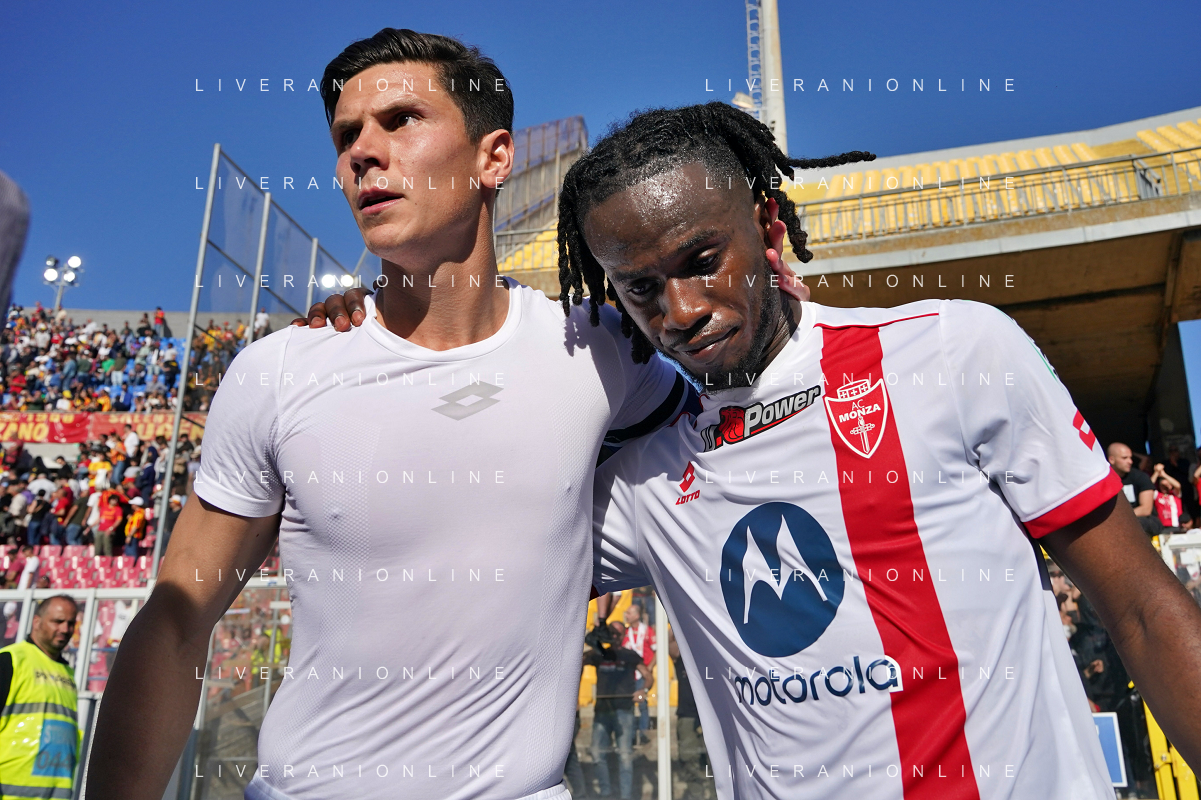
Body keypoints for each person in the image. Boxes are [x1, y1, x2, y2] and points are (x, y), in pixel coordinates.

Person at [83, 29, 756, 800]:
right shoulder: (280, 371)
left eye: (400, 120)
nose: (362, 153)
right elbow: (176, 625)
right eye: (346, 136)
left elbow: (735, 441)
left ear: (493, 158)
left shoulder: (598, 351)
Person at [0, 595, 80, 799]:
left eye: (70, 623)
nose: (65, 629)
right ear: (36, 621)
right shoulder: (10, 660)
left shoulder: (68, 674)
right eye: (58, 621)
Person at [583, 621, 652, 800]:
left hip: (624, 711)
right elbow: (579, 659)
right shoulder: (600, 653)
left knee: (625, 757)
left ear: (623, 636)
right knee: (596, 753)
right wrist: (595, 637)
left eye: (617, 634)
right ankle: (606, 794)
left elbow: (647, 676)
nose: (614, 637)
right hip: (602, 711)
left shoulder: (630, 655)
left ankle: (625, 797)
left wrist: (643, 690)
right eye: (611, 633)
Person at [1109, 442, 1161, 536]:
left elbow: (1146, 509)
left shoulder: (1141, 477)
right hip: (1116, 521)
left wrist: (1120, 517)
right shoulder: (1104, 481)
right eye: (1125, 458)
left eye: (1130, 458)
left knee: (1135, 523)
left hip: (1144, 520)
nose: (1130, 461)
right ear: (1112, 460)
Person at [620, 603, 654, 745]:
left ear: (637, 615)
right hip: (629, 675)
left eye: (629, 613)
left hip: (642, 674)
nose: (626, 616)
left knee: (642, 703)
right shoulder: (625, 632)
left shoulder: (647, 631)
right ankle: (632, 735)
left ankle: (644, 733)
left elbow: (657, 650)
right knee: (629, 704)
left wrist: (649, 668)